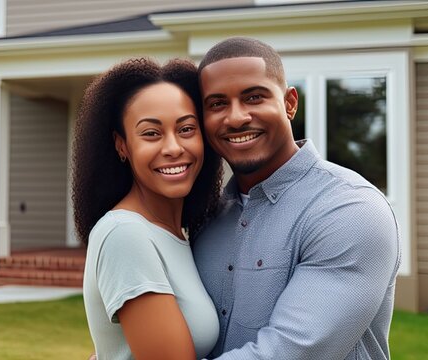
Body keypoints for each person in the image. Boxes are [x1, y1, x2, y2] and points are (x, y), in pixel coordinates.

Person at [192, 37, 401, 359]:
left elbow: (293, 351)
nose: (235, 118)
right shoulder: (207, 216)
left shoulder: (350, 210)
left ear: (290, 103)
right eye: (217, 104)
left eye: (254, 97)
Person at [74, 58, 224, 359]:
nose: (173, 147)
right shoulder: (125, 235)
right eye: (151, 133)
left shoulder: (181, 232)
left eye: (186, 129)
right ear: (122, 145)